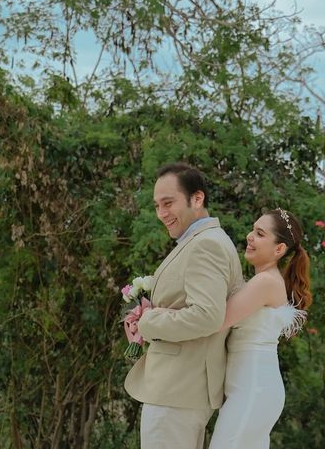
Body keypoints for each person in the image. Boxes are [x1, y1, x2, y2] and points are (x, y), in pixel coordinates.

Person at [153, 208, 312, 448]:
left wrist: (157, 316)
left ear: (279, 249)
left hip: (253, 388)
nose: (250, 236)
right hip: (248, 386)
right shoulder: (260, 282)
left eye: (259, 234)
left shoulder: (265, 282)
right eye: (253, 230)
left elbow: (214, 321)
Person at [124, 162, 243, 449]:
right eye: (157, 206)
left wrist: (148, 322)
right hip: (178, 391)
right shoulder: (199, 241)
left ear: (197, 198)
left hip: (178, 392)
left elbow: (207, 315)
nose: (162, 213)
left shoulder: (207, 245)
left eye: (168, 203)